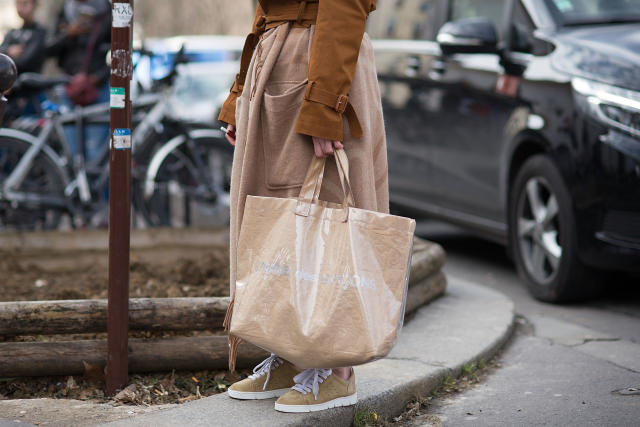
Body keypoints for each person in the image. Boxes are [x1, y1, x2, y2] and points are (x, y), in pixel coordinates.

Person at [218, 0, 389, 413]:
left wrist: (326, 103)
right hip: (278, 64)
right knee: (277, 220)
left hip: (320, 64)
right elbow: (264, 12)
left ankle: (337, 368)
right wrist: (240, 95)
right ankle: (293, 352)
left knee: (329, 216)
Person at [45, 0, 110, 161]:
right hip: (68, 87)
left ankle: (93, 186)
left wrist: (98, 77)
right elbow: (48, 49)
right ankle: (77, 186)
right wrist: (69, 33)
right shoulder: (64, 11)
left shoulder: (106, 11)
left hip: (98, 88)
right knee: (72, 153)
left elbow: (118, 53)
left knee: (96, 152)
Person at [0, 0, 46, 75]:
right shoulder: (12, 32)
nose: (20, 9)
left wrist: (6, 56)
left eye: (25, 4)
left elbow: (25, 62)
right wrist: (8, 51)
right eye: (18, 4)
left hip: (28, 82)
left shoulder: (40, 33)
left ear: (34, 5)